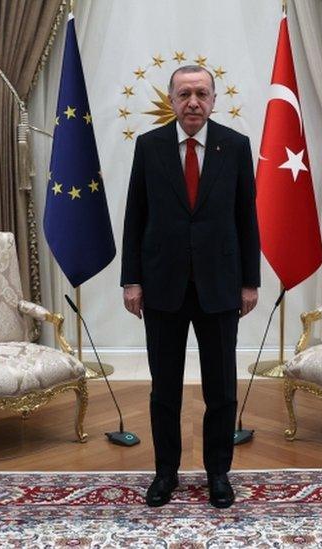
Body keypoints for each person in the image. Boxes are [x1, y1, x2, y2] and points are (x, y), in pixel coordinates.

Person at [121, 65, 260, 508]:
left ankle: (218, 473)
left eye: (201, 93)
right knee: (165, 389)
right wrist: (131, 280)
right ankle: (166, 473)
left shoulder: (234, 146)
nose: (193, 102)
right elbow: (134, 218)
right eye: (184, 94)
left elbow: (246, 219)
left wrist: (250, 282)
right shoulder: (149, 147)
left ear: (214, 99)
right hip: (162, 287)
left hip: (220, 287)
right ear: (172, 100)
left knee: (221, 389)